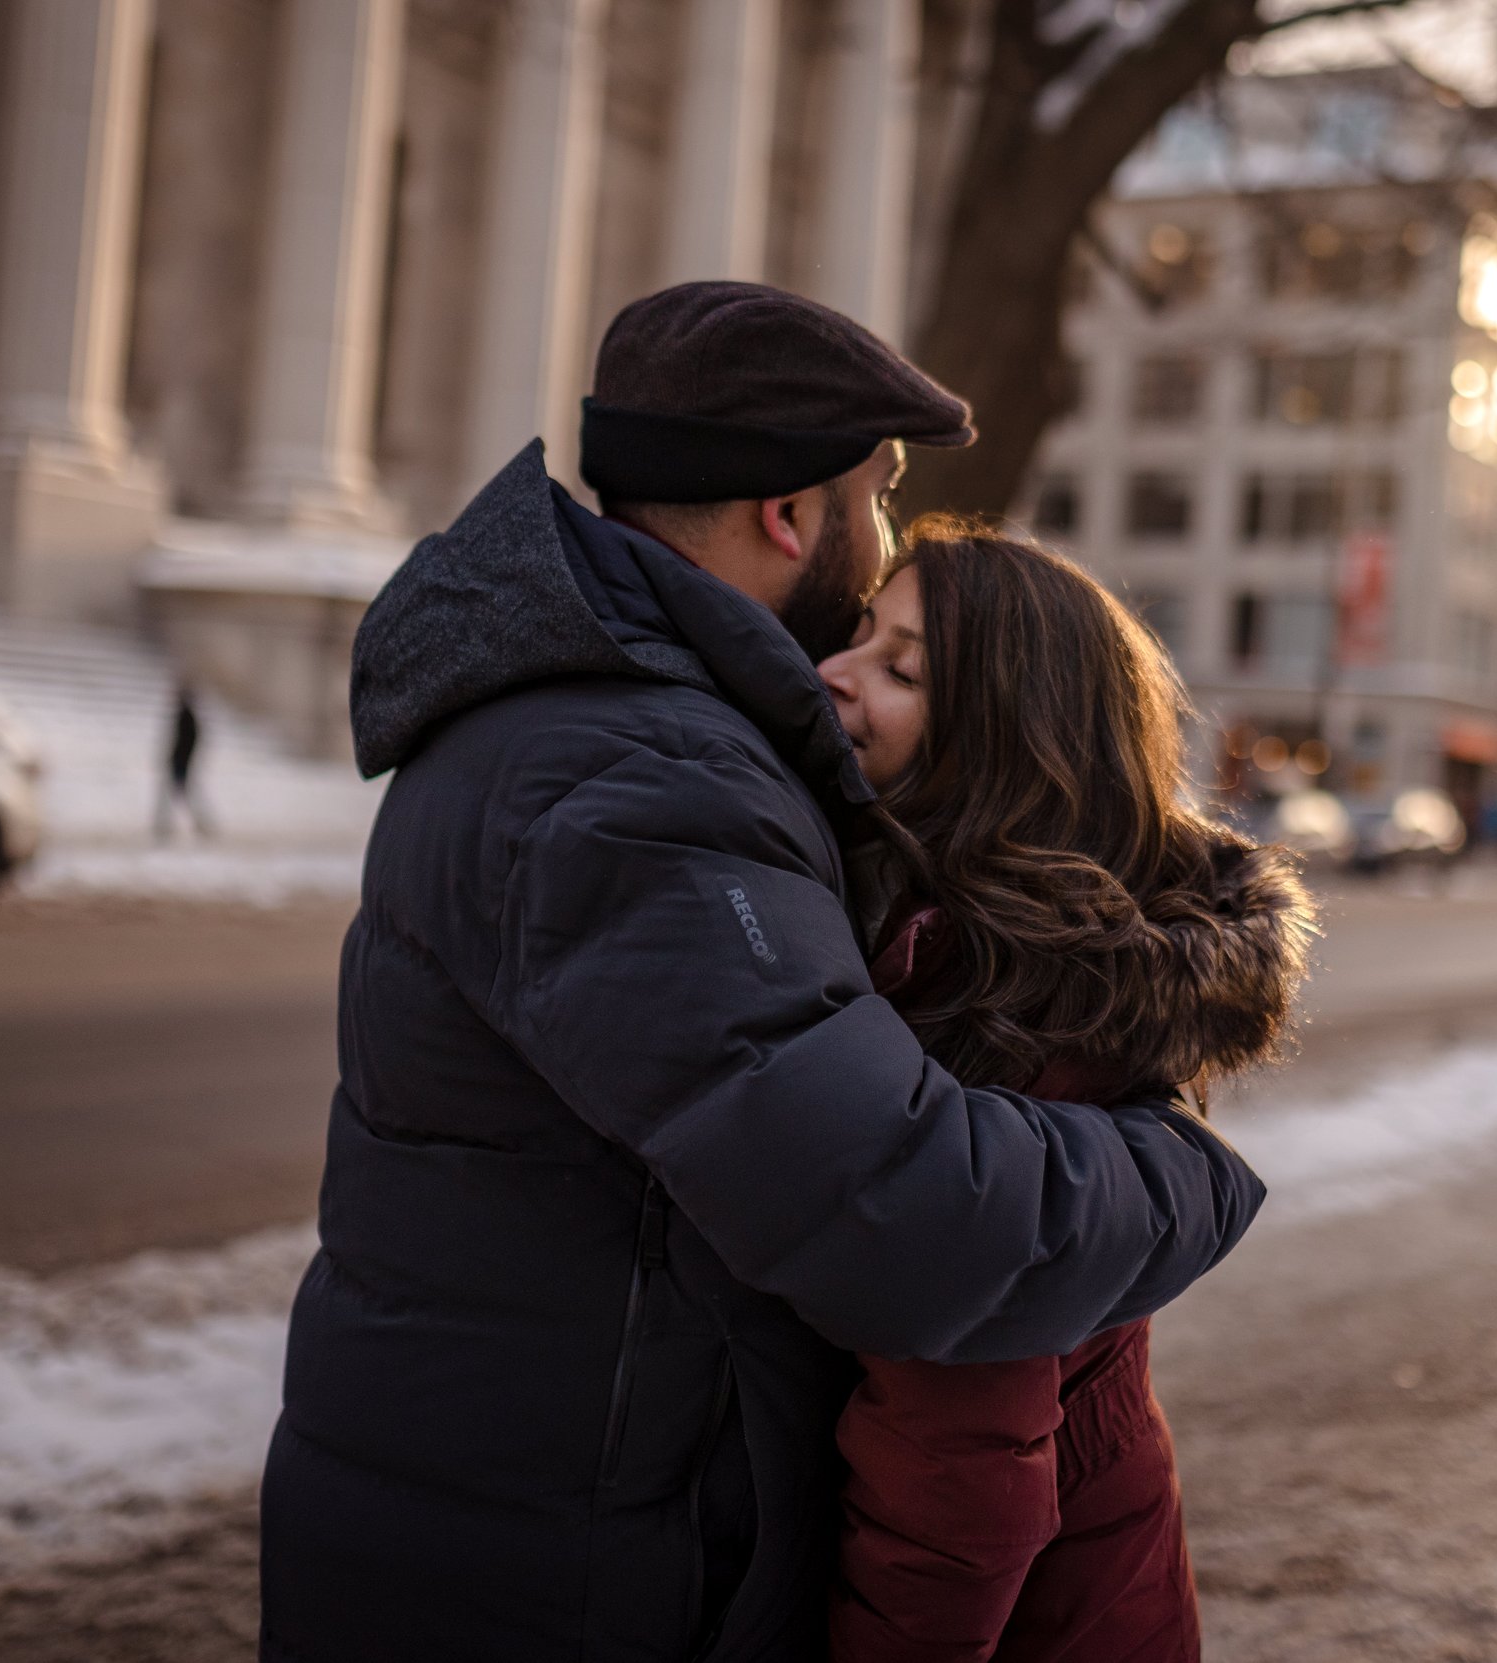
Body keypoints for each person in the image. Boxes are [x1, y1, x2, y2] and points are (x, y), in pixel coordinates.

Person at [257, 284, 1266, 1662]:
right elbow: (909, 1216)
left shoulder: (620, 718)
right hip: (554, 1574)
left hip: (531, 1525)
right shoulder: (636, 773)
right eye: (880, 492)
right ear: (796, 515)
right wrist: (1187, 1169)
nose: (887, 533)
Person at [815, 529, 1315, 1661]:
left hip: (1056, 1610)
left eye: (901, 671)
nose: (835, 673)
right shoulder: (963, 939)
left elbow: (958, 1472)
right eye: (857, 635)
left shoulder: (1006, 1001)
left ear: (1002, 746)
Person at [154, 683, 212, 840]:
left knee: (177, 793)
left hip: (180, 762)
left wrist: (180, 759)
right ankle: (200, 823)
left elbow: (186, 742)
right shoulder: (187, 716)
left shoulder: (186, 716)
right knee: (183, 793)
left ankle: (166, 825)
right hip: (180, 761)